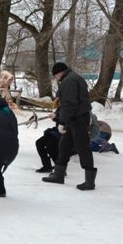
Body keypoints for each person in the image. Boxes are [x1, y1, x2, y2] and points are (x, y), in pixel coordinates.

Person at [42, 62, 96, 190]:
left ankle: (90, 181)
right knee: (64, 146)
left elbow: (70, 104)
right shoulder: (72, 78)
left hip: (79, 120)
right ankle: (58, 175)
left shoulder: (68, 81)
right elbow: (67, 104)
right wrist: (58, 115)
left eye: (55, 76)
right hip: (73, 119)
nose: (56, 79)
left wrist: (62, 122)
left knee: (82, 148)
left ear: (59, 73)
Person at [34, 98, 62, 173]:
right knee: (39, 143)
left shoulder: (71, 107)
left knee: (50, 147)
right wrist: (55, 118)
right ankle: (47, 166)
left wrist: (56, 118)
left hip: (65, 132)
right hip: (57, 131)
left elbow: (67, 120)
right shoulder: (60, 108)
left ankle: (60, 169)